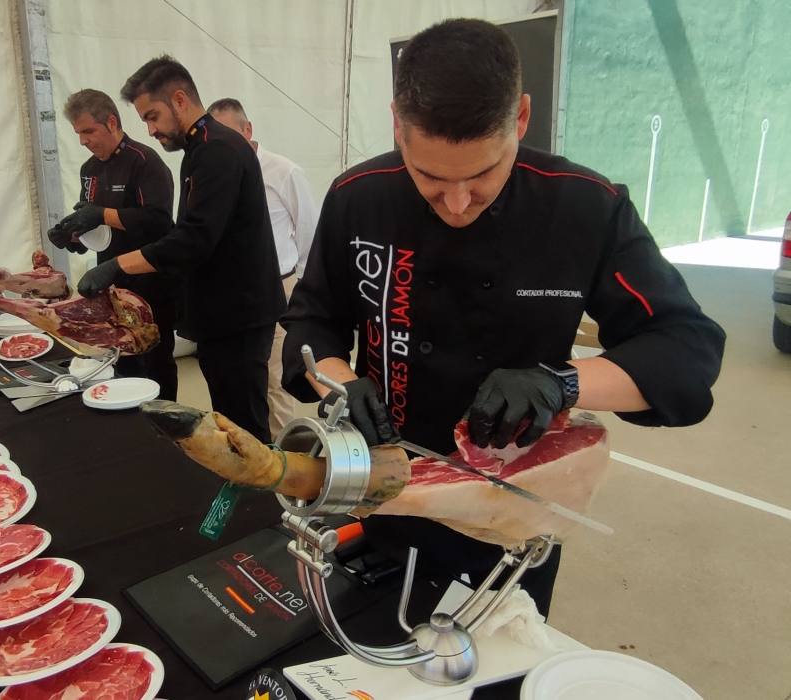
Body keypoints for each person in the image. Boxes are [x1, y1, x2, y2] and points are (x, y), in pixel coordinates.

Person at [281, 19, 725, 616]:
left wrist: (560, 381)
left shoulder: (585, 207)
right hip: (382, 484)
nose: (457, 204)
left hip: (514, 504)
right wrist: (340, 382)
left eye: (482, 176)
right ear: (396, 123)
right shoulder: (358, 195)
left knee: (492, 660)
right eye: (431, 179)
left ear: (519, 118)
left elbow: (686, 347)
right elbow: (313, 320)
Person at [77, 57, 286, 443]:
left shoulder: (218, 150)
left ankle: (260, 499)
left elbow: (194, 237)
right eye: (145, 121)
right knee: (228, 415)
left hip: (239, 314)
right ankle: (242, 492)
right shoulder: (198, 150)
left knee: (245, 423)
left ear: (179, 98)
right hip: (220, 313)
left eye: (153, 116)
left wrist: (117, 266)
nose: (151, 129)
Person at [47, 89, 179, 400]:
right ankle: (131, 423)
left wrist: (102, 214)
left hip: (151, 281)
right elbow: (94, 223)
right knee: (121, 359)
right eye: (78, 134)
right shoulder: (89, 170)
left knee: (156, 362)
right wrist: (74, 236)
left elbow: (159, 221)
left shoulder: (145, 162)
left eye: (89, 131)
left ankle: (166, 431)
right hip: (110, 281)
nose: (83, 141)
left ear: (112, 123)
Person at [207, 97, 319, 439]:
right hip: (234, 294)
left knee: (275, 380)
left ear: (248, 129)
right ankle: (244, 451)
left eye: (230, 134)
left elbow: (309, 231)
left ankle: (280, 462)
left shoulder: (283, 171)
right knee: (242, 377)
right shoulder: (214, 173)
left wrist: (300, 289)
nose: (224, 144)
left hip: (279, 286)